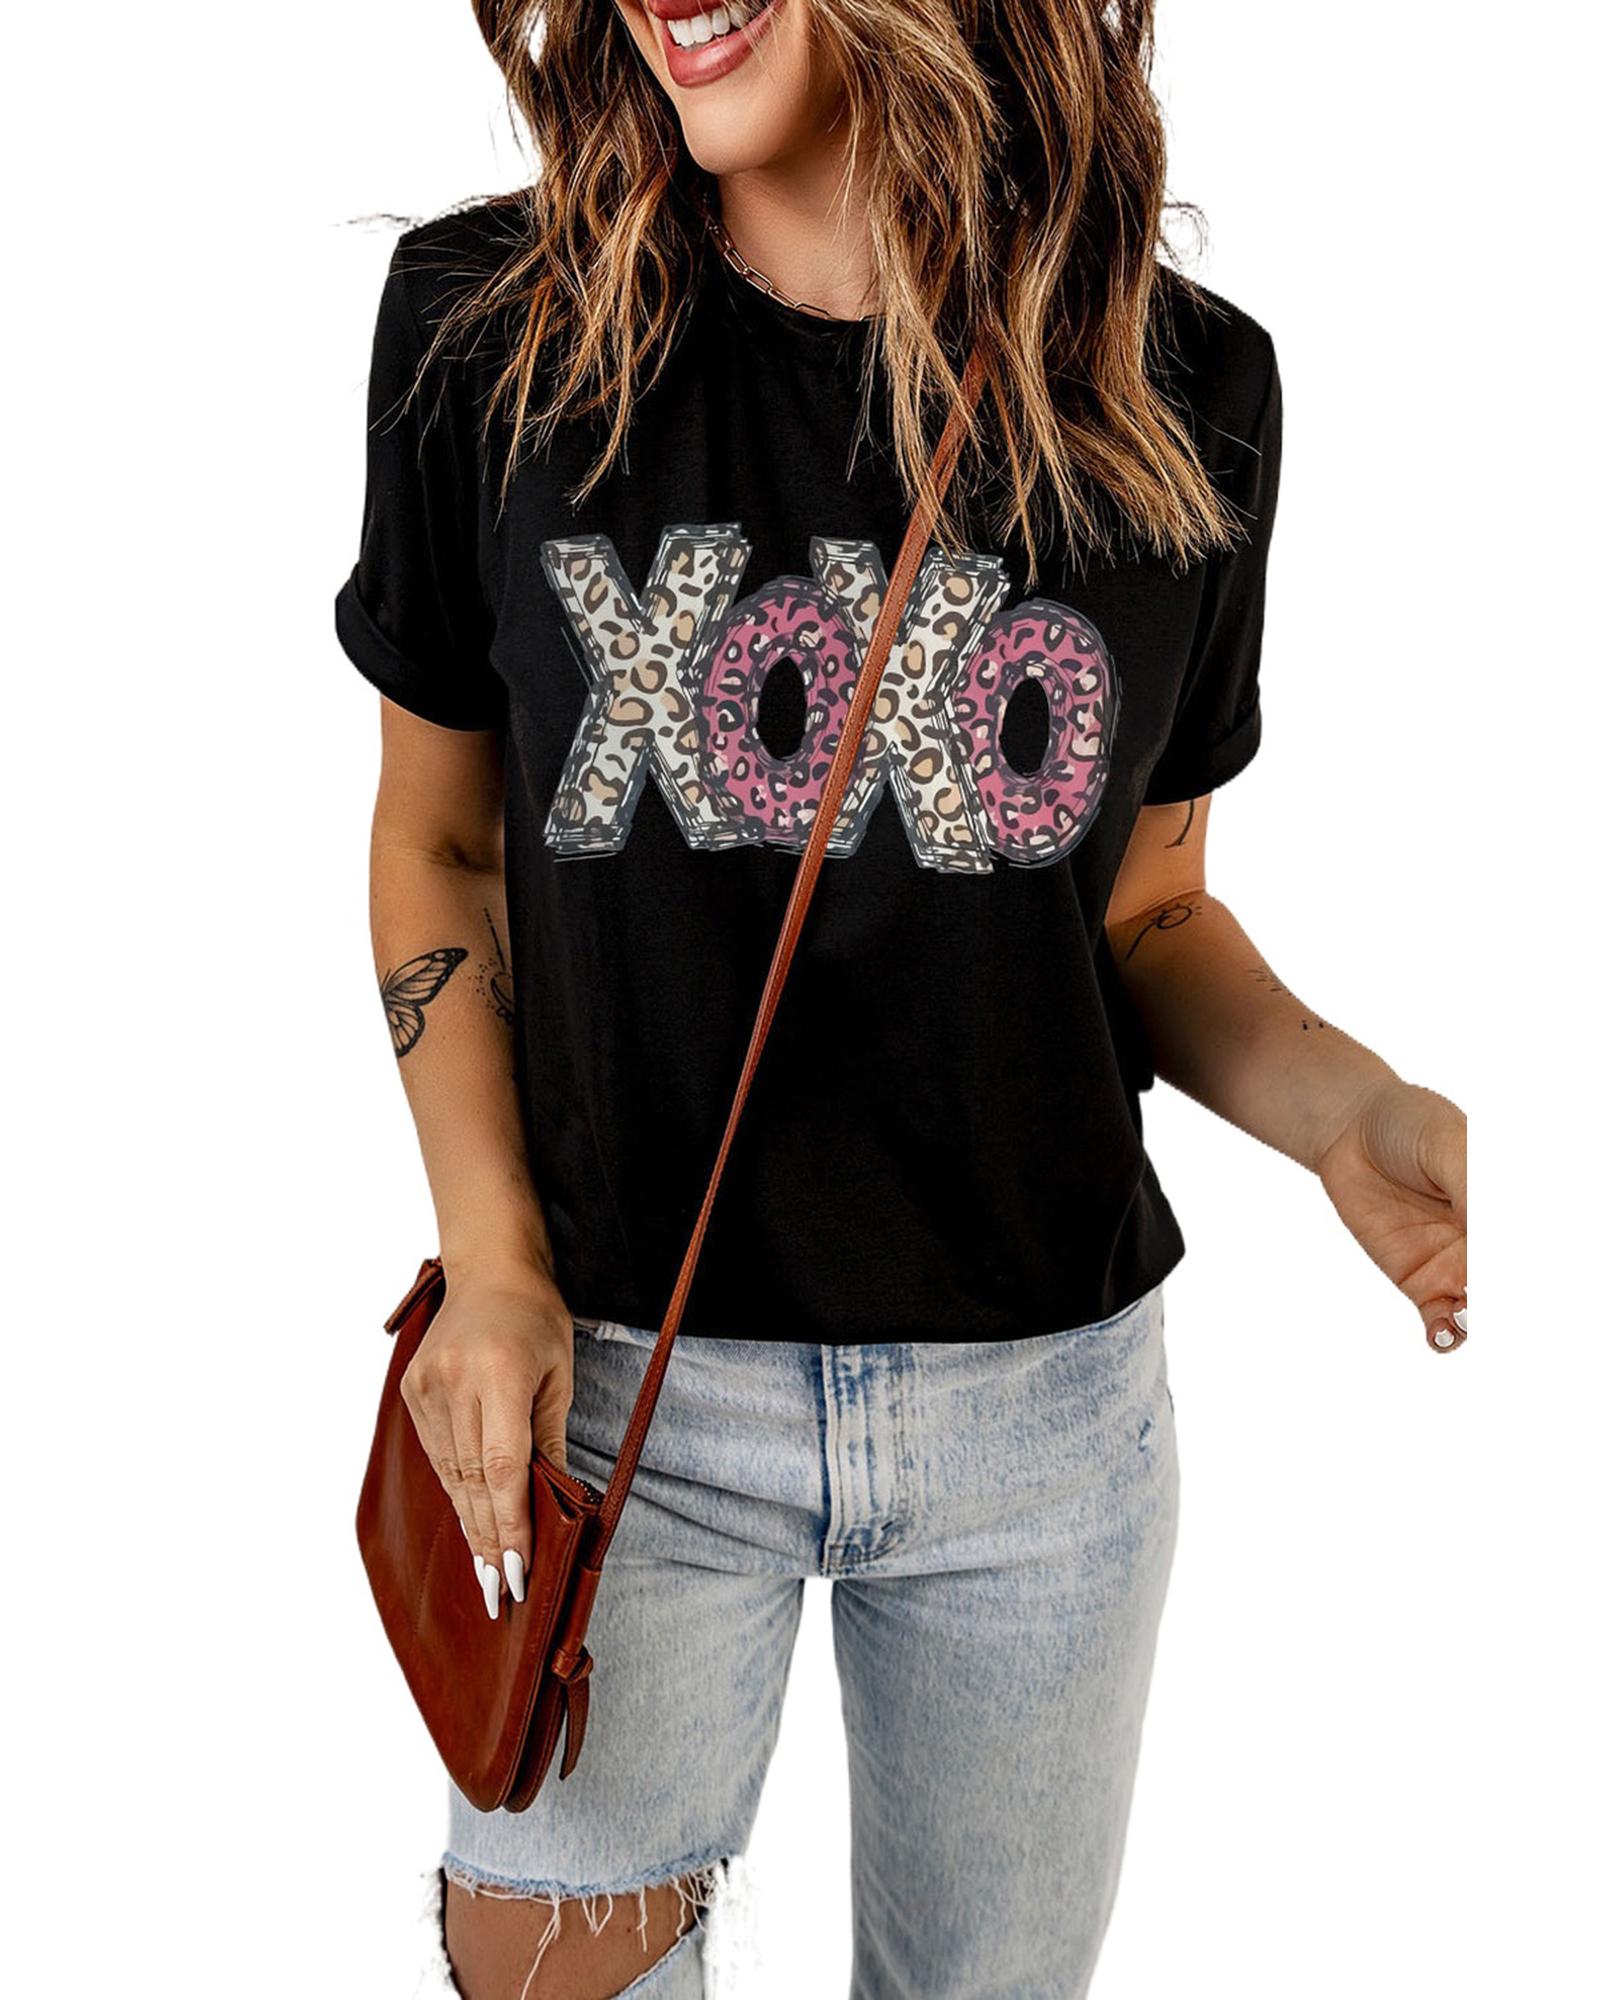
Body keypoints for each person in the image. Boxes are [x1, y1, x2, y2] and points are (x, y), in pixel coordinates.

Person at [334, 2, 1469, 1994]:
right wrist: (494, 1263)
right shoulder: (490, 334)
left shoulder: (1184, 388)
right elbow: (438, 847)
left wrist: (1345, 1110)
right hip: (619, 1396)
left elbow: (1146, 913)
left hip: (1038, 1425)